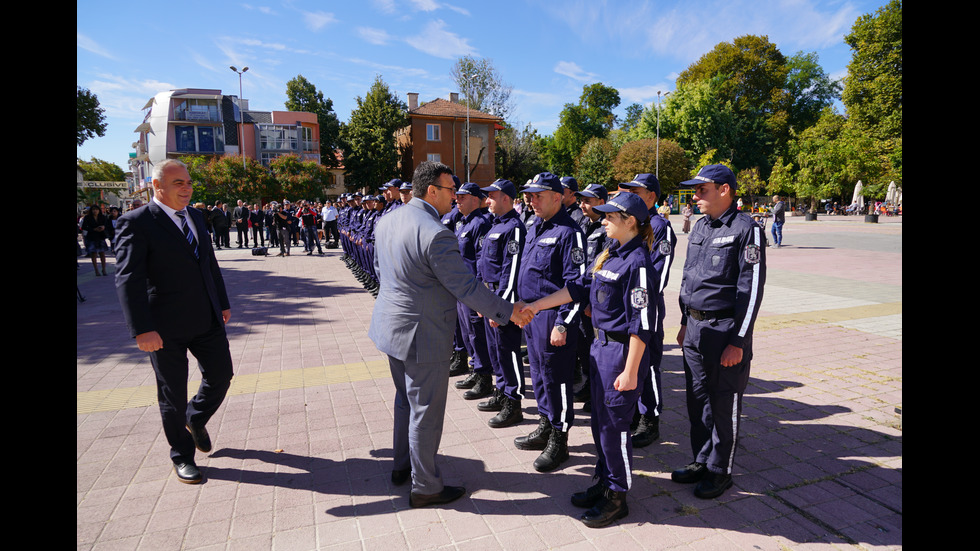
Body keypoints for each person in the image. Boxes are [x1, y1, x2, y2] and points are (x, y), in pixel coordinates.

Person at [367, 160, 531, 508]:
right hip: (422, 335)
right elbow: (465, 285)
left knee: (404, 401)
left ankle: (403, 466)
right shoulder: (436, 231)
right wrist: (507, 311)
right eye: (449, 190)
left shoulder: (389, 219)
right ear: (431, 191)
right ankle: (425, 486)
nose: (454, 196)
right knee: (425, 411)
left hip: (391, 328)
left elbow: (382, 271)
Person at [523, 191, 659, 528]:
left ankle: (618, 496)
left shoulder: (638, 262)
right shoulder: (610, 253)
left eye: (611, 216)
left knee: (615, 428)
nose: (604, 219)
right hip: (600, 349)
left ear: (630, 222)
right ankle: (604, 480)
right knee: (600, 424)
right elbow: (578, 289)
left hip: (621, 354)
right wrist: (537, 306)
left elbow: (643, 325)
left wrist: (630, 372)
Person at [113, 159, 234, 484]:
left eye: (188, 182)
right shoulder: (136, 222)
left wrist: (221, 302)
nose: (187, 187)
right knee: (172, 395)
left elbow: (208, 263)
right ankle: (182, 456)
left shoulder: (195, 215)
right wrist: (141, 328)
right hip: (163, 329)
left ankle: (195, 418)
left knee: (222, 375)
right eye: (178, 182)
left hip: (206, 317)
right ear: (157, 186)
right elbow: (129, 279)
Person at [671, 164, 766, 499]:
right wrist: (684, 321)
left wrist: (738, 341)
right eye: (695, 191)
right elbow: (689, 278)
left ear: (725, 190)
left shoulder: (746, 229)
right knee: (697, 401)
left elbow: (751, 288)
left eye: (702, 190)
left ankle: (720, 470)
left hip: (725, 330)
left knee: (723, 403)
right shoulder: (699, 227)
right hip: (695, 330)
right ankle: (701, 459)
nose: (695, 197)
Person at [515, 172, 588, 473]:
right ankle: (545, 424)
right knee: (541, 377)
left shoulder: (570, 233)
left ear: (557, 197)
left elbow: (578, 286)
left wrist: (563, 324)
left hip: (553, 319)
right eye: (529, 196)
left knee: (557, 379)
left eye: (538, 195)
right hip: (532, 316)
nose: (531, 201)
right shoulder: (535, 227)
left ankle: (560, 438)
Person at [617, 173, 676, 448]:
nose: (629, 195)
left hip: (646, 306)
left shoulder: (659, 226)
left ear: (651, 196)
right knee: (629, 361)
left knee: (649, 364)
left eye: (636, 191)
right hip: (622, 308)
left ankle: (650, 419)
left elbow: (660, 274)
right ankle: (632, 413)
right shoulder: (628, 222)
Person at [475, 179, 527, 428]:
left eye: (492, 196)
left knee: (509, 353)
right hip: (489, 297)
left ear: (506, 198)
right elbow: (483, 264)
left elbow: (511, 271)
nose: (487, 201)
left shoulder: (514, 228)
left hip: (502, 300)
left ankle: (513, 404)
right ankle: (501, 391)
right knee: (496, 352)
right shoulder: (495, 226)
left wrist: (501, 308)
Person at [450, 183, 496, 400]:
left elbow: (481, 260)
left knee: (477, 334)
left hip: (472, 289)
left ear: (476, 200)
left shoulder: (481, 224)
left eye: (462, 197)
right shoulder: (462, 223)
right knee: (468, 333)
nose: (457, 200)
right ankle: (475, 370)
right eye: (457, 197)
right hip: (461, 288)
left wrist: (479, 293)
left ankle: (484, 377)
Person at [571, 183, 611, 411]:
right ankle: (589, 383)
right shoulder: (582, 224)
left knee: (596, 345)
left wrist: (591, 301)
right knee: (584, 344)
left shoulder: (607, 228)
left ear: (601, 202)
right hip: (580, 295)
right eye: (582, 200)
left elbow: (602, 266)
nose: (582, 205)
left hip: (595, 299)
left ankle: (599, 390)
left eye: (589, 201)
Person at [81, 205, 111, 276]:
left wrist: (103, 227)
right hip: (92, 237)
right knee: (93, 254)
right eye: (93, 210)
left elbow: (107, 225)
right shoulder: (87, 218)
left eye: (96, 209)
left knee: (102, 254)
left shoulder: (102, 217)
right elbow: (84, 227)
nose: (95, 211)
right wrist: (93, 229)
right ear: (91, 211)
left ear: (99, 210)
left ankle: (104, 269)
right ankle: (96, 270)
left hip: (100, 236)